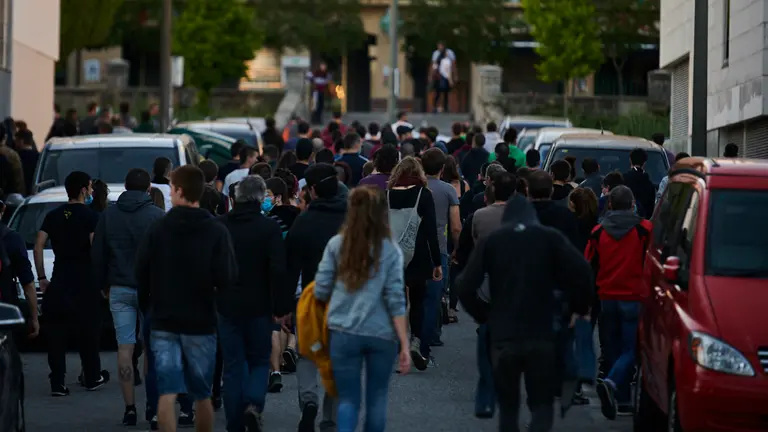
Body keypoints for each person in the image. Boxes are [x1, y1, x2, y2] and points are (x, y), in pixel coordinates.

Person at [457, 195, 593, 432]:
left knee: (508, 406)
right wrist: (577, 307)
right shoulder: (550, 238)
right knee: (542, 402)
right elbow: (582, 272)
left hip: (504, 334)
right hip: (541, 331)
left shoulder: (494, 240)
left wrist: (484, 315)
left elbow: (465, 285)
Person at [136, 165, 237, 432]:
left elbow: (141, 272)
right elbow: (227, 277)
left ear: (180, 191)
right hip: (201, 319)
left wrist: (148, 305)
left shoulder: (158, 229)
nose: (168, 193)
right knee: (202, 393)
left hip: (164, 318)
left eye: (171, 188)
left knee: (167, 390)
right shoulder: (216, 231)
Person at [314, 186, 410, 432]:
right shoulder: (389, 249)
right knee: (377, 399)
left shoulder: (336, 245)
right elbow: (396, 298)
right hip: (381, 333)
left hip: (343, 330)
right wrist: (404, 343)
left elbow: (321, 289)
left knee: (348, 399)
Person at [216, 175, 291, 432]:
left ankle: (234, 423)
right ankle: (254, 404)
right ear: (261, 198)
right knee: (259, 360)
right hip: (260, 305)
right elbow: (278, 269)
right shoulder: (268, 228)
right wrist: (281, 307)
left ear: (235, 197)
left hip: (227, 304)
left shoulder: (221, 225)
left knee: (233, 365)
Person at [91, 168, 164, 426]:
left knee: (125, 347)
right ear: (148, 189)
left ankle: (129, 407)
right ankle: (152, 408)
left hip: (119, 287)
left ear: (124, 185)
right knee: (152, 348)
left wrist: (102, 284)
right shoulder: (157, 216)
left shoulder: (108, 216)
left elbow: (98, 254)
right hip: (152, 290)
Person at [34, 171, 110, 396]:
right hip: (85, 283)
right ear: (83, 189)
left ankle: (57, 382)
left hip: (59, 281)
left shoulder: (53, 215)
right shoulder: (90, 217)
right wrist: (102, 280)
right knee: (89, 334)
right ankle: (92, 376)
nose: (91, 191)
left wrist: (41, 278)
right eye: (89, 187)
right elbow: (95, 249)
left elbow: (38, 246)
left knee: (56, 336)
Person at [286, 163, 346, 431]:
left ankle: (309, 400)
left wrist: (283, 306)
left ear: (312, 190)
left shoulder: (304, 221)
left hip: (312, 298)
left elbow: (289, 268)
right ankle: (330, 417)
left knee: (307, 355)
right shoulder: (352, 220)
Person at [586, 186, 652, 420]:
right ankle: (614, 385)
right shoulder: (644, 230)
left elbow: (589, 265)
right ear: (633, 203)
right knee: (631, 349)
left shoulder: (598, 232)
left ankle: (620, 398)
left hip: (607, 297)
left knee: (612, 347)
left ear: (610, 204)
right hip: (634, 296)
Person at [466, 171, 517, 418]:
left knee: (486, 335)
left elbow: (476, 244)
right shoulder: (523, 219)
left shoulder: (480, 216)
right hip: (515, 284)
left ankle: (488, 389)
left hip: (487, 283)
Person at [387, 157, 442, 370]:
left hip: (393, 255)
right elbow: (431, 231)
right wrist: (436, 261)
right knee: (418, 301)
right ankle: (416, 341)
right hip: (418, 254)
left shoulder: (387, 195)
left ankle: (399, 346)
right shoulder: (424, 195)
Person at [421, 149, 461, 349]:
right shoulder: (448, 190)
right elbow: (455, 226)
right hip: (440, 247)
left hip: (417, 247)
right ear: (443, 168)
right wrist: (458, 249)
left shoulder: (417, 187)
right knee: (435, 297)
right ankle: (430, 338)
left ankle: (416, 335)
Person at [0, 199, 39, 338]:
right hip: (4, 314)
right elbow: (28, 284)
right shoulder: (11, 239)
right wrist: (34, 318)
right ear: (3, 209)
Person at [622, 148, 656, 219]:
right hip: (643, 221)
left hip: (624, 219)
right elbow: (651, 209)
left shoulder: (623, 179)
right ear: (644, 163)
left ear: (630, 160)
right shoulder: (649, 183)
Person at [431, 42, 456, 113]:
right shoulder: (443, 60)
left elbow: (435, 68)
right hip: (442, 78)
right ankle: (440, 106)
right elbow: (448, 71)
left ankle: (440, 106)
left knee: (442, 93)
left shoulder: (444, 60)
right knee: (442, 93)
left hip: (441, 78)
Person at [14, 129, 39, 196]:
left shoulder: (17, 157)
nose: (15, 143)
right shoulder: (39, 156)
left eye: (16, 140)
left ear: (21, 141)